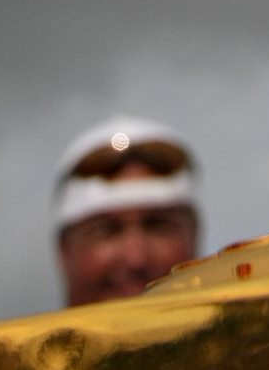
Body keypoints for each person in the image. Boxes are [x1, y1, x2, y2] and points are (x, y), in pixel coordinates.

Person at [51, 115, 201, 304]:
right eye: (106, 231)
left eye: (158, 226)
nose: (136, 259)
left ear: (194, 234)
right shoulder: (5, 333)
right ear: (64, 251)